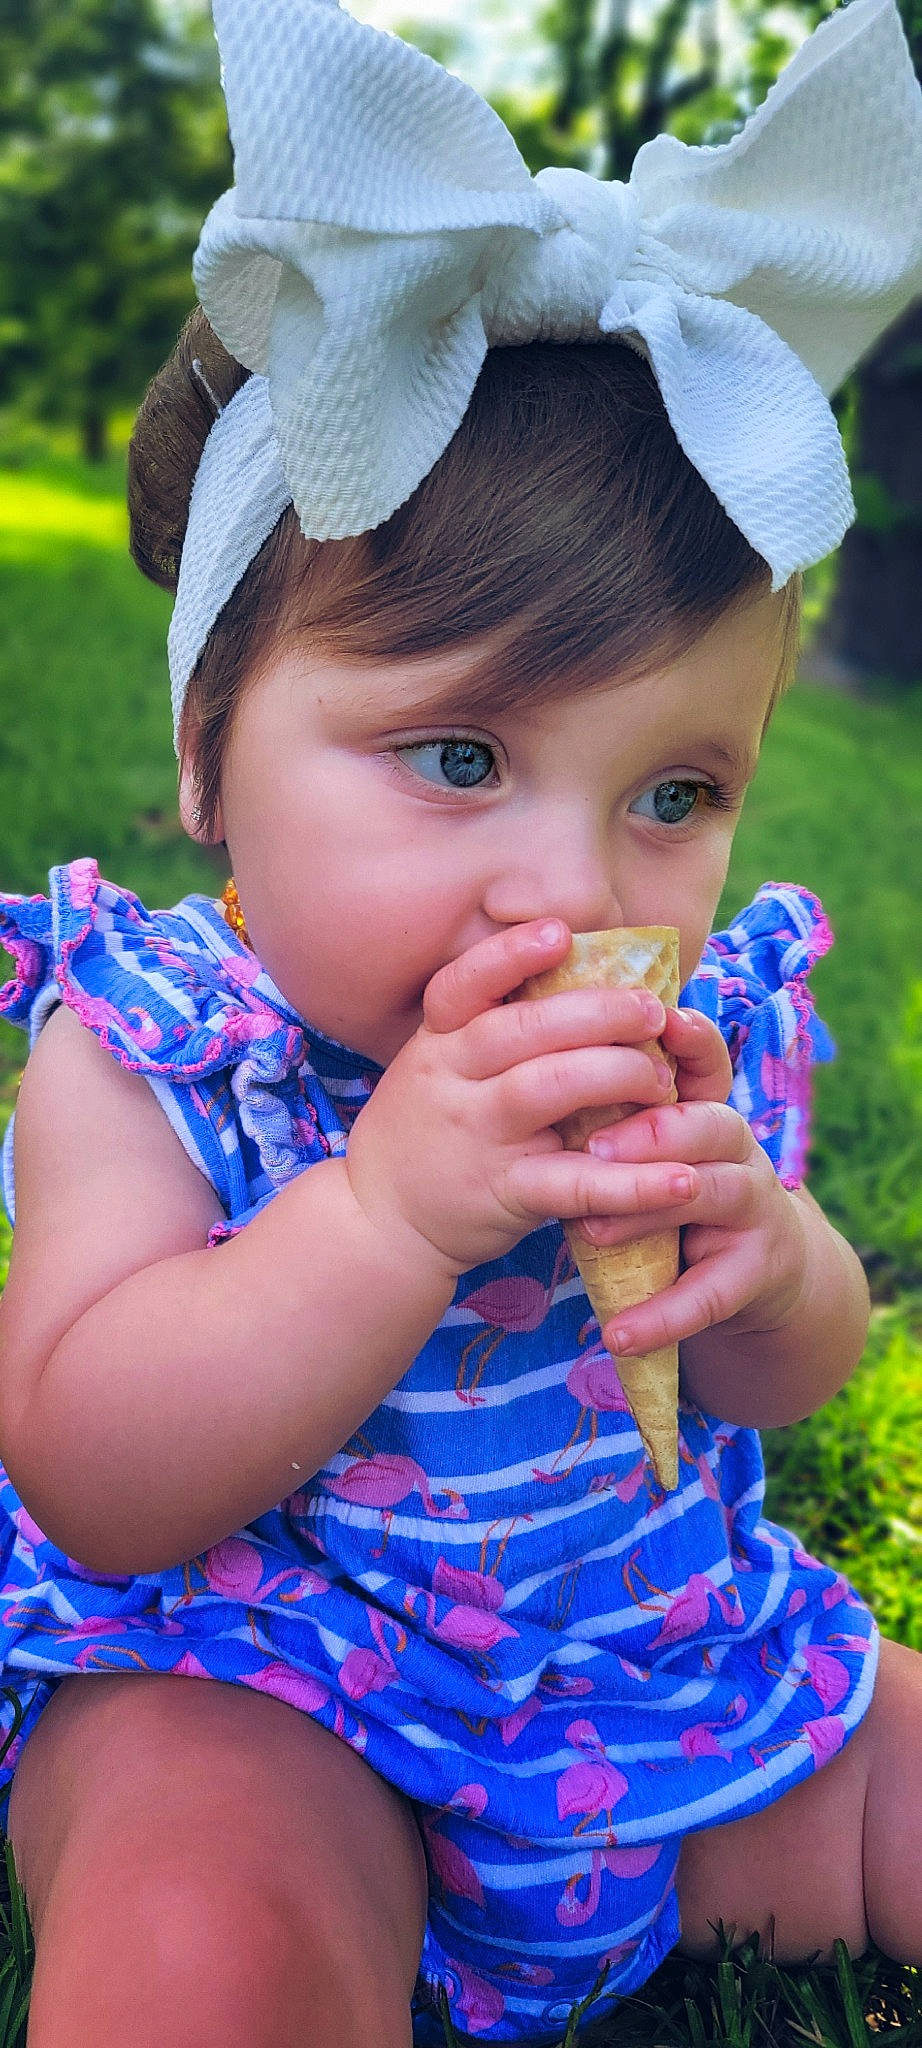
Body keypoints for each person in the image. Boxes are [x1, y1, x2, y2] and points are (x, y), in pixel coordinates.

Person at [0, 0, 920, 2042]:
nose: (578, 892)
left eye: (670, 793)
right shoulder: (153, 1052)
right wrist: (385, 1215)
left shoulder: (698, 1032)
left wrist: (763, 1259)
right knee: (196, 1927)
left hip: (660, 1692)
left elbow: (788, 1377)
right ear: (206, 753)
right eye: (456, 756)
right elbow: (94, 1468)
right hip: (271, 1694)